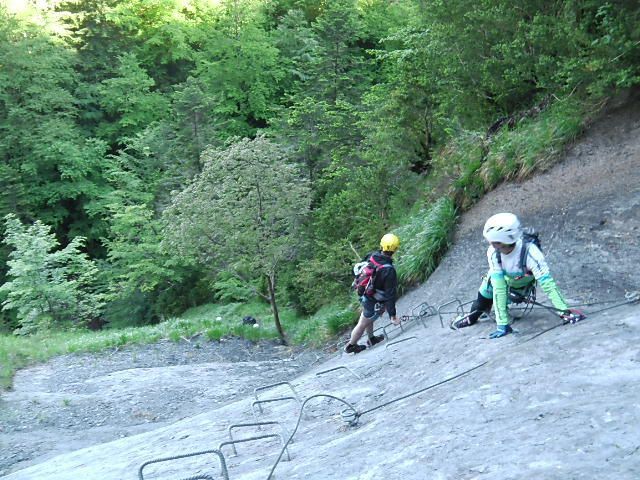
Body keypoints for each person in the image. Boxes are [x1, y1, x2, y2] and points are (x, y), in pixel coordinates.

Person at [452, 212, 584, 338]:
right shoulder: (493, 253)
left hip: (521, 287)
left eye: (492, 241)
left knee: (501, 297)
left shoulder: (531, 253)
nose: (489, 243)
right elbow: (499, 288)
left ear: (501, 241)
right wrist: (502, 323)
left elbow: (548, 285)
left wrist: (564, 312)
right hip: (499, 283)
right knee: (479, 305)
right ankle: (472, 317)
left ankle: (492, 311)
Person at [344, 233, 401, 354]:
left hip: (365, 293)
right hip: (373, 298)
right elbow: (390, 295)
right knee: (362, 323)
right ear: (395, 249)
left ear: (382, 245)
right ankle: (351, 345)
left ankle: (371, 339)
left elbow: (359, 268)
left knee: (369, 318)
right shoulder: (389, 270)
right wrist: (393, 316)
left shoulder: (372, 255)